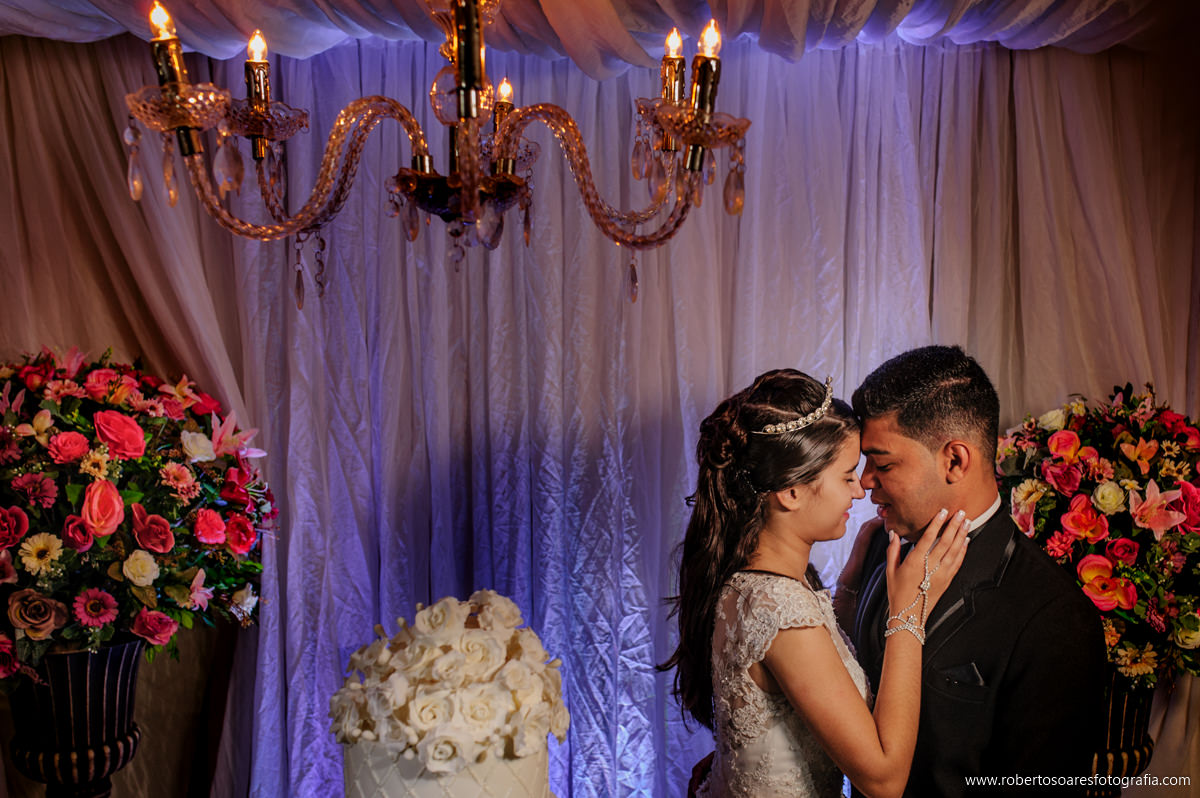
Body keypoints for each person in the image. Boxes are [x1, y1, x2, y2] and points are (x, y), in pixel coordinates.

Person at [660, 368, 970, 797]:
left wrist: (848, 587)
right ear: (791, 492)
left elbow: (816, 670)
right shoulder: (780, 609)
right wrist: (907, 611)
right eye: (846, 476)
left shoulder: (753, 584)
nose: (859, 491)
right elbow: (884, 780)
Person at [837, 345, 1107, 797]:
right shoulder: (875, 549)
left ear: (955, 460)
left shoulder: (1055, 617)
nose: (865, 482)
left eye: (882, 464)